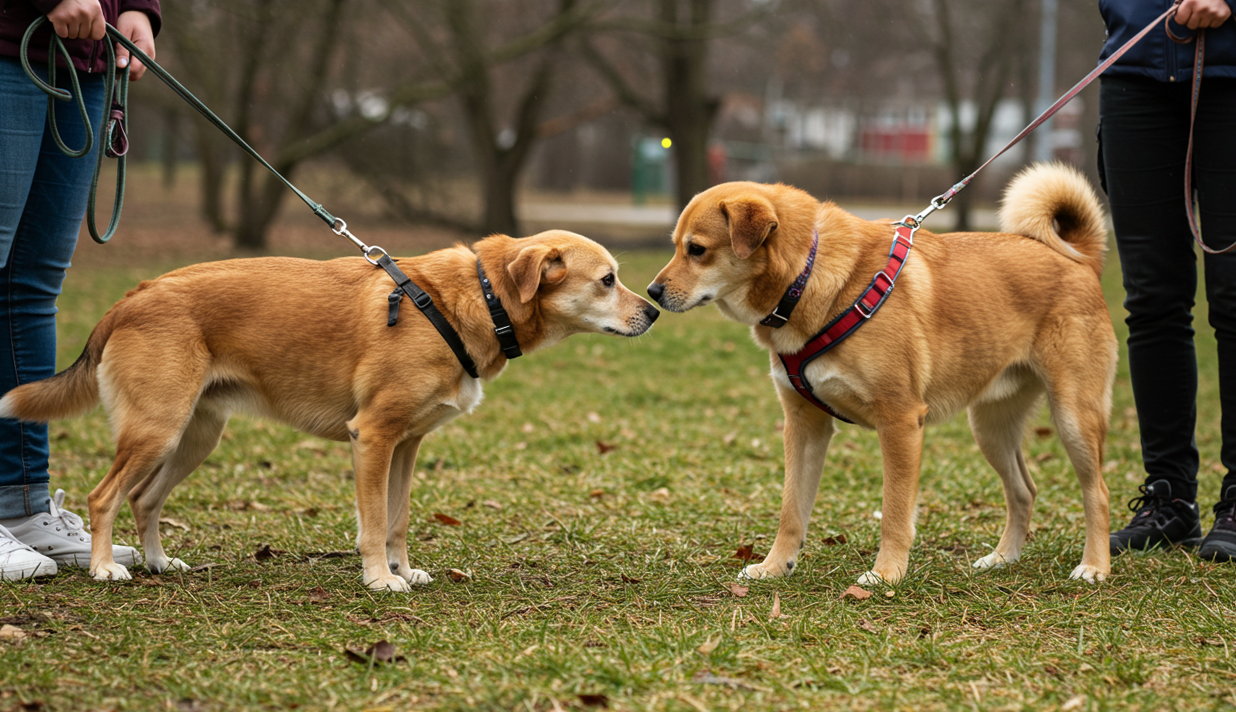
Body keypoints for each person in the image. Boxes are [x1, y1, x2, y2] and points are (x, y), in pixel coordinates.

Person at [0, 0, 160, 580]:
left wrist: (140, 7)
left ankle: (20, 506)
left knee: (33, 283)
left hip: (87, 58)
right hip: (11, 41)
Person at [1098, 0, 1236, 561]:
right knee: (1151, 297)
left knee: (1233, 296)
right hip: (1135, 69)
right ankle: (1169, 496)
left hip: (1230, 73)